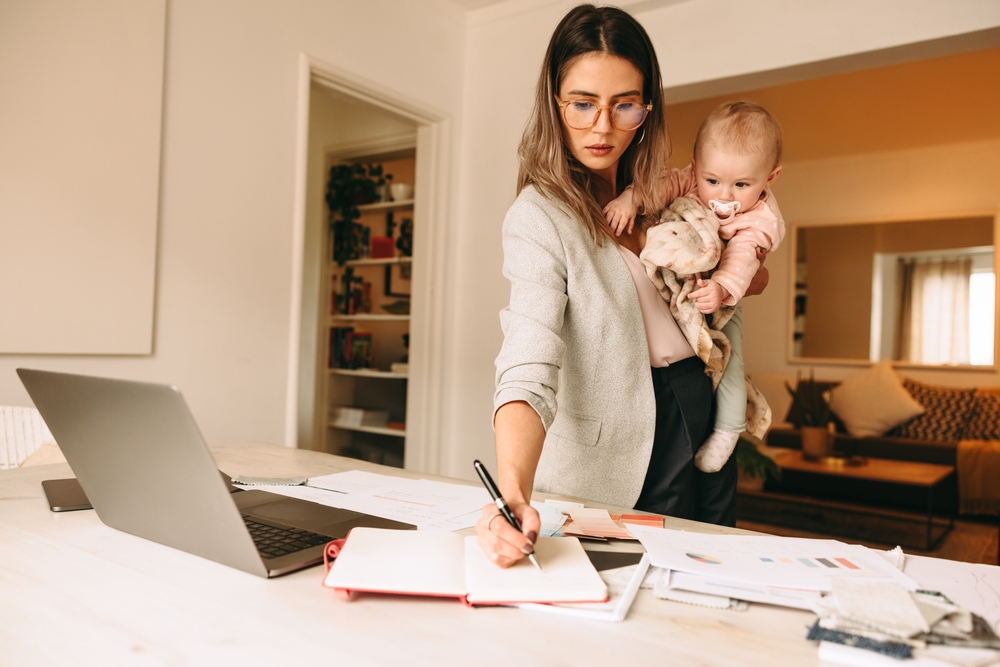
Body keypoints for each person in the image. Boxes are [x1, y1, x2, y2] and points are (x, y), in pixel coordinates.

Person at [476, 4, 766, 569]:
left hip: (698, 403)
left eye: (624, 105)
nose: (603, 127)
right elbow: (528, 359)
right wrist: (512, 493)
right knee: (637, 593)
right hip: (627, 437)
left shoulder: (661, 196)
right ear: (554, 104)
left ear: (647, 108)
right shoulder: (541, 216)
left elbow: (744, 263)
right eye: (582, 104)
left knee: (712, 578)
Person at [604, 102, 785, 473]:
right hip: (680, 305)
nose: (724, 196)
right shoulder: (690, 178)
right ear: (695, 165)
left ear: (770, 179)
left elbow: (743, 258)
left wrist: (721, 287)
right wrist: (631, 198)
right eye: (713, 181)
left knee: (730, 362)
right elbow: (662, 186)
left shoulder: (760, 218)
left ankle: (729, 427)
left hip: (723, 296)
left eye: (741, 184)